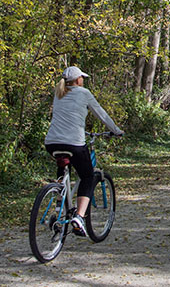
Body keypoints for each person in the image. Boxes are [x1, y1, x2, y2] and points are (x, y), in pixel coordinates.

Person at [44, 65, 124, 238]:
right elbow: (101, 114)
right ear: (78, 80)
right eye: (82, 78)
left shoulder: (58, 93)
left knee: (63, 171)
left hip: (51, 143)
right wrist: (116, 131)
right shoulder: (84, 93)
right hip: (74, 143)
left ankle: (59, 206)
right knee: (87, 176)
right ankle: (79, 217)